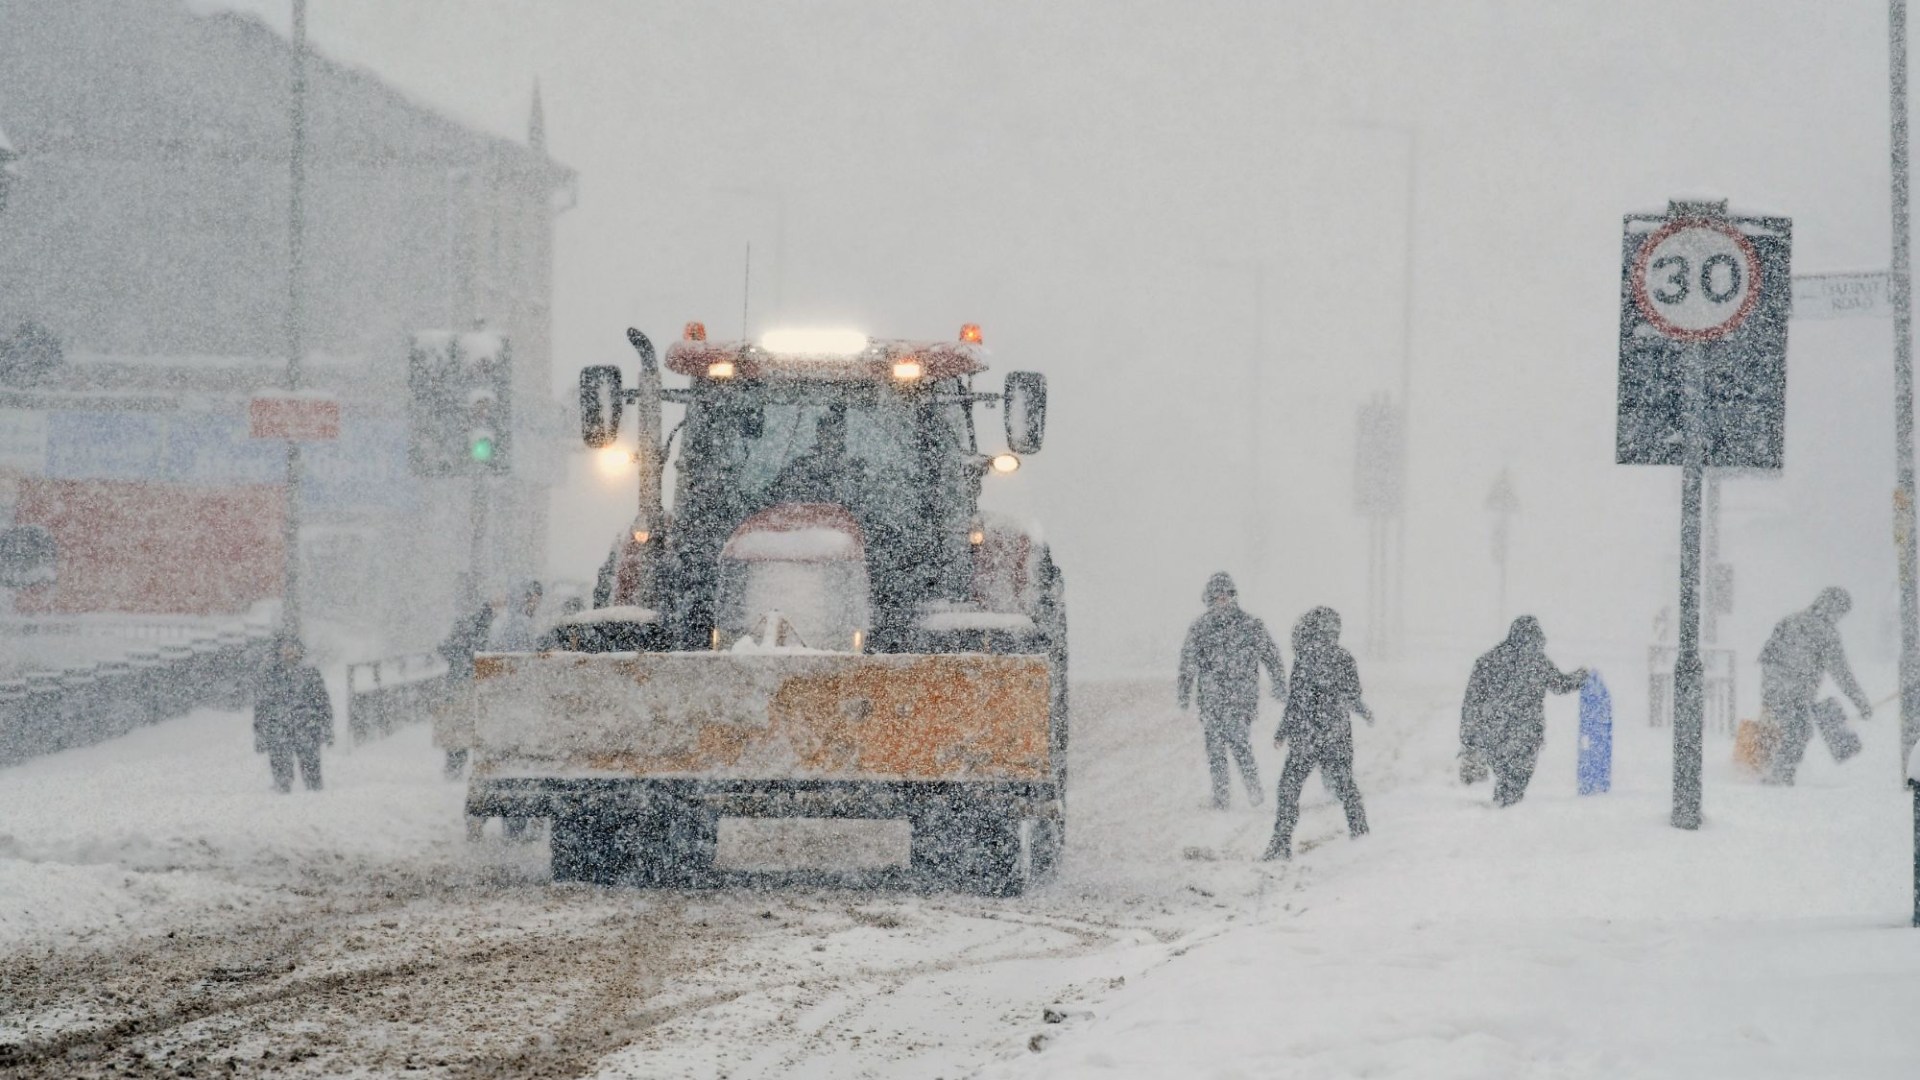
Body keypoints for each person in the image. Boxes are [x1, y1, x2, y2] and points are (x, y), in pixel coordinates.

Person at [1263, 607, 1371, 859]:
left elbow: (1295, 701)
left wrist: (1285, 730)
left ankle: (1281, 842)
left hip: (1306, 737)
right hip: (1335, 735)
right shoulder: (1343, 658)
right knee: (1346, 786)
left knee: (1289, 789)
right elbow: (1354, 694)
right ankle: (1361, 835)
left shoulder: (1304, 659)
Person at [1177, 572, 1284, 809]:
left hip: (1241, 697)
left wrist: (1278, 683)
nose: (1222, 600)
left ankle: (1254, 791)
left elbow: (1271, 656)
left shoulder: (1251, 625)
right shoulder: (1200, 628)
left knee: (1240, 744)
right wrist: (1184, 692)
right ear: (1209, 599)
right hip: (1211, 699)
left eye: (1226, 596)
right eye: (1217, 596)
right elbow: (1187, 663)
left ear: (1233, 597)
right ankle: (1221, 797)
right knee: (1215, 750)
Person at [1459, 616, 1588, 807]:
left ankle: (1501, 809)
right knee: (1516, 778)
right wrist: (1582, 676)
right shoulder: (1537, 662)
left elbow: (1472, 702)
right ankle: (1504, 811)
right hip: (1526, 733)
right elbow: (1561, 685)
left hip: (1495, 732)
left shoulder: (1488, 661)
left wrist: (1470, 739)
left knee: (1506, 775)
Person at [1761, 587, 1871, 786]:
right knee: (1799, 731)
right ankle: (1778, 777)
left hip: (1776, 687)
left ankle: (1776, 773)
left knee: (1791, 730)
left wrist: (1770, 691)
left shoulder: (1790, 621)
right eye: (1840, 612)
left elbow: (1767, 657)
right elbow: (1842, 674)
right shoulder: (1826, 633)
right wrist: (1861, 702)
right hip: (1795, 692)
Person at [253, 635, 333, 793]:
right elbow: (262, 705)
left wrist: (326, 726)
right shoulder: (270, 674)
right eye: (286, 648)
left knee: (311, 765)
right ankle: (282, 788)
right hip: (278, 727)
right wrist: (260, 732)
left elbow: (322, 702)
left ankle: (314, 791)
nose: (289, 652)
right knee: (280, 761)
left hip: (307, 727)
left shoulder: (310, 673)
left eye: (293, 648)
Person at [771, 408, 863, 505]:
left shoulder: (854, 471)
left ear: (843, 436)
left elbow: (862, 507)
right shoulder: (799, 468)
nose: (829, 438)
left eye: (834, 434)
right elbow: (774, 497)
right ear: (818, 433)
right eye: (826, 432)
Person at [489, 580, 544, 652]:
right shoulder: (517, 621)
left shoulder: (534, 620)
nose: (536, 604)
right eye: (533, 600)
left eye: (538, 600)